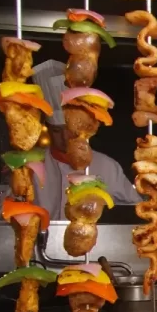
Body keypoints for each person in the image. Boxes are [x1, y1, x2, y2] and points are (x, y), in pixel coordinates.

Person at [30, 59, 140, 219]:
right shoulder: (32, 168)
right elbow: (3, 216)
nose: (64, 137)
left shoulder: (107, 166)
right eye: (56, 131)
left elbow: (135, 210)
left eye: (69, 130)